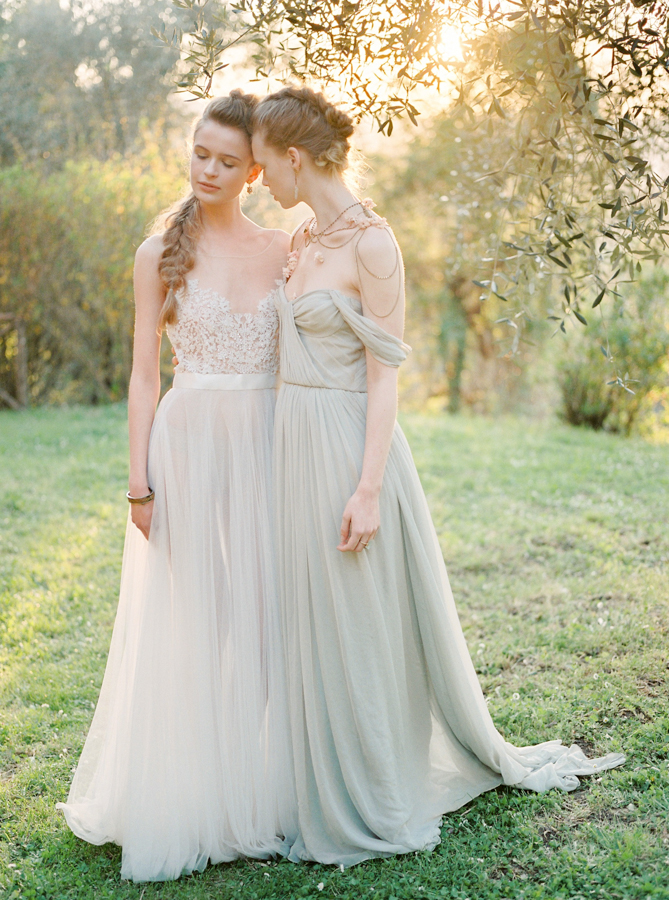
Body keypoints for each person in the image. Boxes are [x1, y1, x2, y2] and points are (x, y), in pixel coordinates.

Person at [250, 85, 625, 867]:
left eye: (262, 164)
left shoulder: (371, 244)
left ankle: (373, 782)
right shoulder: (301, 238)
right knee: (308, 613)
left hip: (347, 444)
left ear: (291, 156)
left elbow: (385, 378)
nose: (260, 180)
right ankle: (314, 775)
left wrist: (365, 487)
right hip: (292, 442)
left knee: (355, 615)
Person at [57, 91, 297, 882]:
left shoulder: (283, 248)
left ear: (257, 171)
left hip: (263, 441)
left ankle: (254, 784)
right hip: (186, 442)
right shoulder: (157, 250)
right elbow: (140, 374)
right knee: (200, 616)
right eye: (200, 152)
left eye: (228, 161)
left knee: (265, 614)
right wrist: (138, 483)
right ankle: (194, 787)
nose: (209, 170)